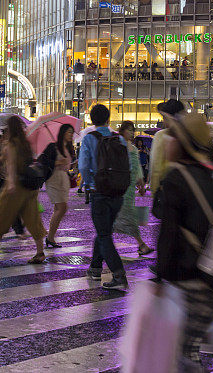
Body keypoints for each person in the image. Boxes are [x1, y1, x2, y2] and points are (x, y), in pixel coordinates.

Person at [153, 112, 213, 370]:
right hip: (212, 277)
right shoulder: (211, 174)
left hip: (186, 276)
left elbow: (168, 232)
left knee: (179, 356)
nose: (166, 143)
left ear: (183, 143)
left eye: (172, 138)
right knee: (188, 350)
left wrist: (160, 277)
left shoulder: (176, 178)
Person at [0, 116, 46, 263]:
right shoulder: (25, 144)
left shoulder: (10, 144)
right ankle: (40, 252)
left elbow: (11, 165)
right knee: (33, 218)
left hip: (15, 186)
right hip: (29, 186)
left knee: (2, 216)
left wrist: (11, 184)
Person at [80, 104, 128, 290]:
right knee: (104, 231)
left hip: (99, 191)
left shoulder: (89, 138)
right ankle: (95, 268)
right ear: (108, 119)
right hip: (118, 192)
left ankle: (118, 274)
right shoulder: (119, 139)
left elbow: (84, 166)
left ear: (92, 120)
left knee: (103, 234)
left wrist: (88, 183)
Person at [113, 121, 153, 256]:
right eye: (128, 130)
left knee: (122, 216)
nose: (131, 132)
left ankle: (103, 244)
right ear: (122, 130)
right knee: (125, 215)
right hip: (118, 186)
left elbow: (137, 169)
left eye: (132, 130)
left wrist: (141, 184)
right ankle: (141, 244)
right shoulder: (117, 145)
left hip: (129, 188)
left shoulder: (134, 149)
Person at [42, 123, 75, 248]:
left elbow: (66, 165)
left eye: (72, 132)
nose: (71, 135)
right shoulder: (53, 146)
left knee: (58, 208)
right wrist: (57, 162)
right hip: (54, 178)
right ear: (62, 133)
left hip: (64, 179)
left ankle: (51, 237)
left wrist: (72, 168)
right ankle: (50, 237)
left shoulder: (68, 148)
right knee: (62, 208)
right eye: (68, 132)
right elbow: (44, 161)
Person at [148, 99, 186, 197]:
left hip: (168, 191)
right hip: (189, 192)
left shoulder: (162, 135)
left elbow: (156, 168)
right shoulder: (191, 135)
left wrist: (154, 191)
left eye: (164, 118)